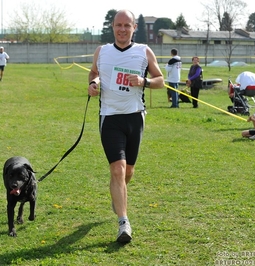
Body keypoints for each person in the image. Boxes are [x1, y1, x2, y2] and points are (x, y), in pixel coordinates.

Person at [87, 9, 164, 243]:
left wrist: (144, 81)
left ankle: (117, 194)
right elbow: (94, 73)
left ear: (133, 28)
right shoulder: (102, 51)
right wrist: (93, 83)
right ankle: (123, 224)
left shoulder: (143, 51)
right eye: (118, 25)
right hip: (110, 118)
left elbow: (160, 80)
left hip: (135, 118)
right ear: (113, 27)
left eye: (127, 25)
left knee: (128, 171)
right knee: (118, 170)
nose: (122, 29)